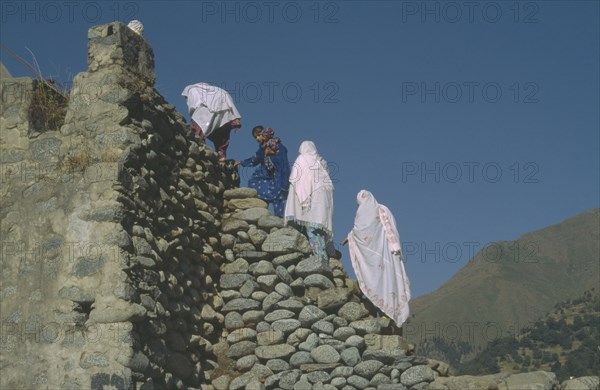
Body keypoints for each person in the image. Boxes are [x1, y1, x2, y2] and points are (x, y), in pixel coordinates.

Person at [341, 190, 411, 327]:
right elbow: (392, 229)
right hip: (389, 255)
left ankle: (384, 312)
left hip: (377, 257)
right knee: (389, 279)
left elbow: (360, 231)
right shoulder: (383, 209)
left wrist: (348, 238)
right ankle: (387, 313)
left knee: (376, 280)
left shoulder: (363, 212)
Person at [285, 141, 334, 261]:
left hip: (307, 202)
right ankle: (321, 257)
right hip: (322, 205)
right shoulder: (321, 163)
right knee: (317, 231)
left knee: (310, 229)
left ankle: (319, 259)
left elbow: (296, 181)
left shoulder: (302, 159)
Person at [181, 82, 242, 161]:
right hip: (227, 113)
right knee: (221, 136)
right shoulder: (212, 90)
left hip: (208, 110)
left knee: (198, 128)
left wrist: (193, 116)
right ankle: (221, 156)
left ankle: (198, 150)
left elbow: (194, 105)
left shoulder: (191, 89)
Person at [238, 127, 290, 217]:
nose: (257, 139)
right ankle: (261, 213)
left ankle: (280, 222)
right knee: (254, 184)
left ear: (263, 134)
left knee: (279, 198)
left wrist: (285, 180)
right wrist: (241, 162)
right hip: (266, 176)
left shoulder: (279, 146)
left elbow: (283, 163)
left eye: (258, 136)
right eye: (255, 137)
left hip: (278, 176)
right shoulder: (262, 148)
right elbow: (256, 159)